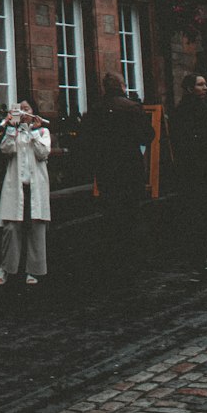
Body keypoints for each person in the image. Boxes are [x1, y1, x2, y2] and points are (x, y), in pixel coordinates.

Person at [81, 72, 155, 274]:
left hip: (107, 169)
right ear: (122, 85)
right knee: (131, 212)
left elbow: (87, 140)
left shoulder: (95, 110)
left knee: (111, 213)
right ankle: (132, 259)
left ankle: (113, 259)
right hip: (130, 166)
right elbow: (148, 135)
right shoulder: (132, 108)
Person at [171, 72, 207, 279]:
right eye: (200, 85)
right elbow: (205, 140)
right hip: (202, 168)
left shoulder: (181, 110)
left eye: (205, 84)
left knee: (197, 212)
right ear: (189, 89)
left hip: (189, 169)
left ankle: (202, 257)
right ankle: (203, 259)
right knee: (205, 211)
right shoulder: (197, 110)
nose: (205, 88)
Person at [0, 101, 51, 287]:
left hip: (36, 187)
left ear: (34, 112)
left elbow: (43, 153)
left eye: (26, 108)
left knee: (36, 227)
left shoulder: (43, 132)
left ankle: (33, 270)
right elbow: (5, 149)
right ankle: (6, 268)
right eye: (20, 109)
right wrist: (10, 127)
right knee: (11, 228)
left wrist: (34, 131)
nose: (23, 112)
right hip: (15, 186)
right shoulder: (14, 131)